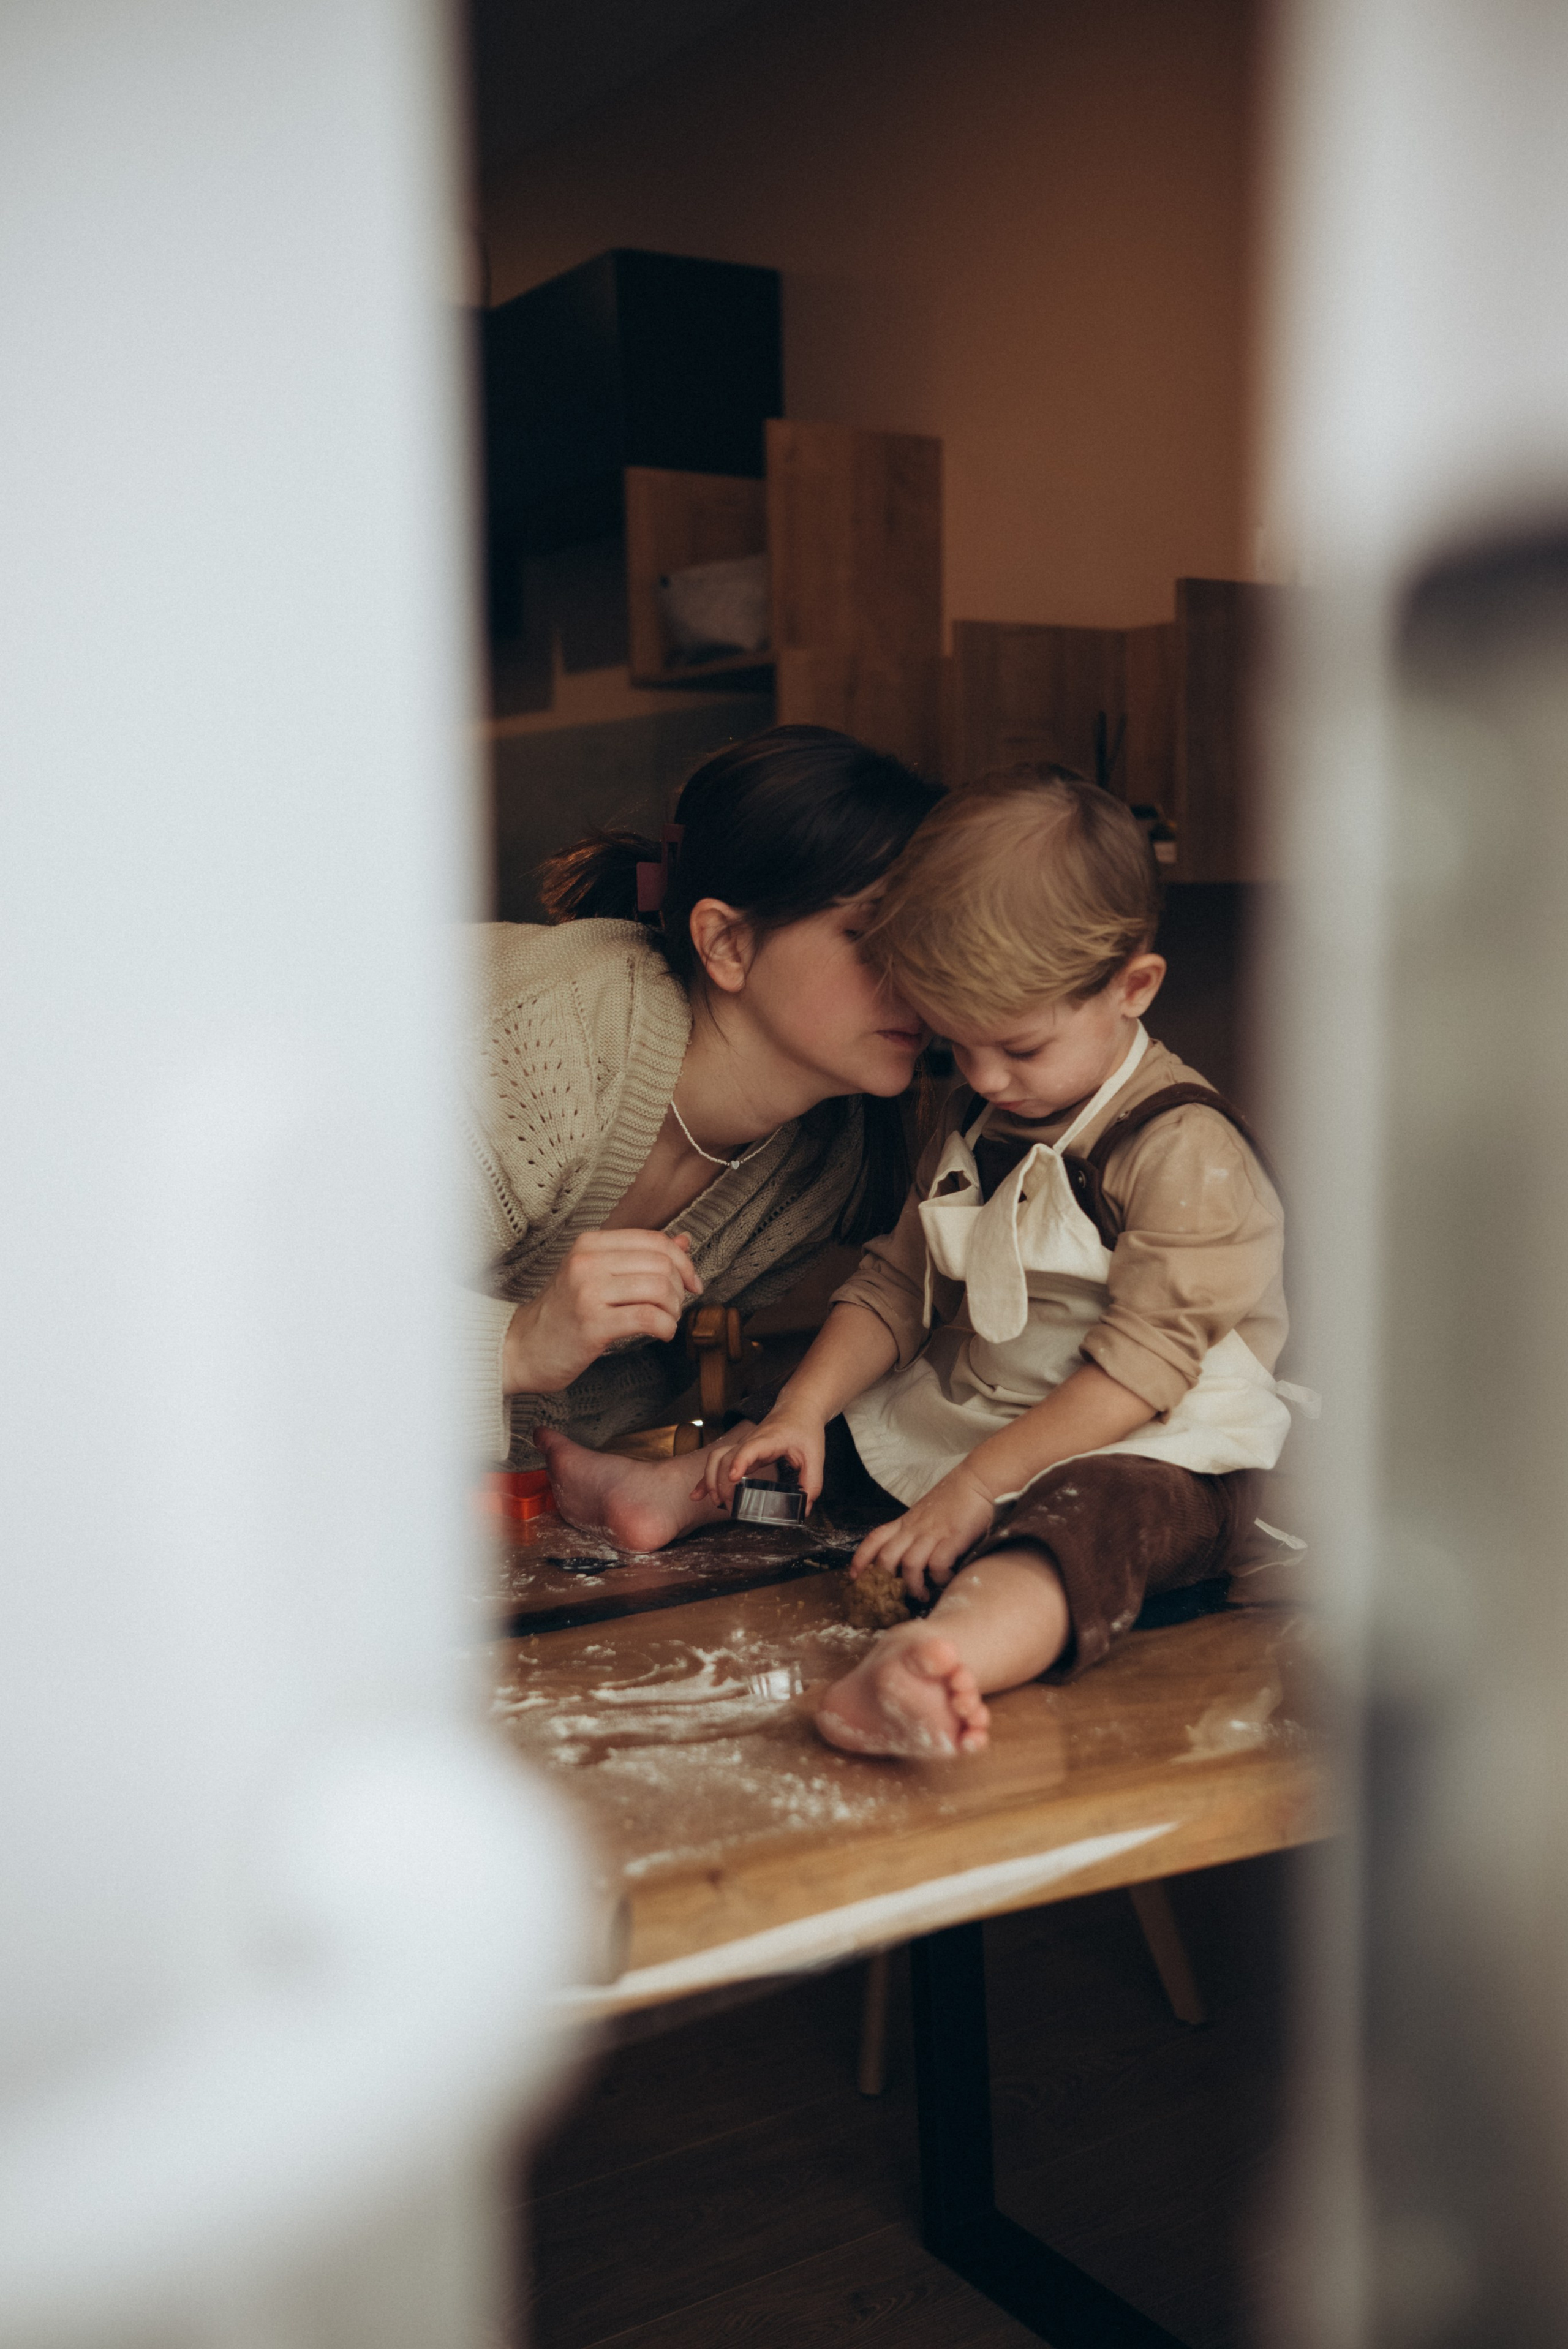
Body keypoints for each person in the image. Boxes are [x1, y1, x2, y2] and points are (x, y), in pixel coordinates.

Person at [574, 766, 1300, 1756]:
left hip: (1159, 1447)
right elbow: (889, 1289)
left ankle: (943, 1657)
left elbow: (1141, 1371)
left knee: (1072, 1535)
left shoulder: (1183, 1150)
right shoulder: (977, 1109)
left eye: (1020, 1048)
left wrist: (974, 1489)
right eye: (957, 1047)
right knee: (833, 1435)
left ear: (1133, 988)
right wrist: (798, 1416)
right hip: (995, 1414)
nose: (989, 1080)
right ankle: (670, 1491)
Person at [461, 725, 942, 1475]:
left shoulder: (824, 1159)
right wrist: (518, 1342)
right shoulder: (544, 1038)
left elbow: (599, 1396)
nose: (919, 975)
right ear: (726, 944)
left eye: (932, 937)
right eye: (870, 933)